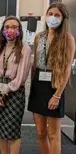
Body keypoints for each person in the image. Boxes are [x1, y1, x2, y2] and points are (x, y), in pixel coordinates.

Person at [28, 2, 75, 154]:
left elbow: (67, 68)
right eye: (50, 14)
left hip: (55, 85)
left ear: (63, 19)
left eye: (57, 15)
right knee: (41, 132)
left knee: (53, 134)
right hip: (38, 85)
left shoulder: (67, 39)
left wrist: (57, 95)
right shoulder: (38, 37)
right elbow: (35, 64)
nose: (52, 17)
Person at [0, 16, 32, 154]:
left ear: (19, 30)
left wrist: (3, 92)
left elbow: (20, 78)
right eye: (7, 27)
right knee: (1, 131)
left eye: (14, 27)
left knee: (12, 132)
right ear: (2, 30)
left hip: (14, 93)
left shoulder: (25, 49)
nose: (10, 30)